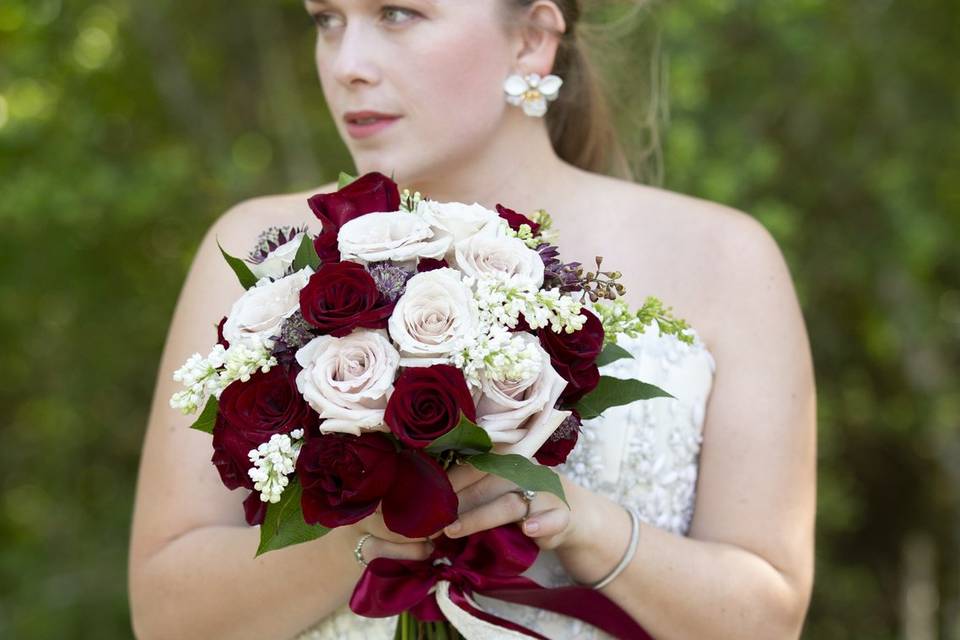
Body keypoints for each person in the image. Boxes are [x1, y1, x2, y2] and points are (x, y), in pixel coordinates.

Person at [127, 1, 817, 638]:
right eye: (327, 20)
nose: (346, 64)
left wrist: (582, 525)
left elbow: (768, 620)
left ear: (531, 39)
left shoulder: (724, 258)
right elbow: (165, 614)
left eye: (397, 13)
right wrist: (370, 530)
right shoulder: (266, 252)